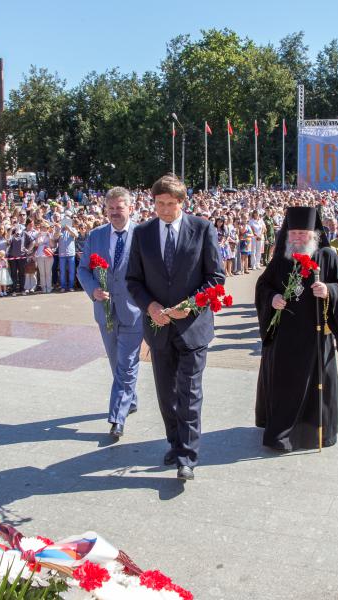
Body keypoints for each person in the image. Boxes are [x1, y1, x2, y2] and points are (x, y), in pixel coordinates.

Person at [126, 174, 225, 481]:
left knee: (189, 392)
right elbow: (133, 280)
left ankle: (188, 457)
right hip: (158, 327)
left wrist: (190, 305)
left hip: (193, 327)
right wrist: (150, 306)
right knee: (166, 393)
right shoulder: (142, 233)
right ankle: (175, 442)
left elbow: (216, 278)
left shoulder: (202, 228)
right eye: (159, 203)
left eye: (170, 203)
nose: (165, 210)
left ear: (183, 202)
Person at [255, 206, 338, 451]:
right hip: (284, 339)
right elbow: (263, 286)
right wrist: (272, 298)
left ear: (314, 234)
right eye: (294, 233)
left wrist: (329, 290)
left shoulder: (327, 256)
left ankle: (313, 434)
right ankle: (281, 435)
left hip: (315, 337)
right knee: (284, 386)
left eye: (302, 233)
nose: (298, 238)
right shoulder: (281, 257)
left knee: (315, 387)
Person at [78, 187, 143, 439]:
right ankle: (130, 399)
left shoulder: (142, 236)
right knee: (116, 361)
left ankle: (117, 417)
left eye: (119, 208)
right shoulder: (96, 236)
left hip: (133, 312)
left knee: (126, 364)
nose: (115, 212)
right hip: (105, 312)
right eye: (111, 208)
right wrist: (93, 289)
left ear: (131, 208)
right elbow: (83, 270)